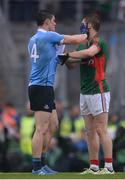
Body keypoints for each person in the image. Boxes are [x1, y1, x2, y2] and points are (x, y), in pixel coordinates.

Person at [28, 10, 88, 175]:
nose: (55, 24)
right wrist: (86, 30)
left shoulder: (33, 39)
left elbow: (57, 58)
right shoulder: (48, 36)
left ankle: (43, 163)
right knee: (41, 128)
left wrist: (68, 56)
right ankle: (36, 167)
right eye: (53, 21)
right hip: (41, 86)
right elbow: (76, 39)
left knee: (53, 125)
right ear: (46, 22)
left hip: (43, 87)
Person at [58, 14, 114, 174]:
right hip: (85, 92)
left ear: (90, 25)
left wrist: (69, 55)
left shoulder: (98, 42)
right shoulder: (82, 45)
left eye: (83, 24)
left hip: (99, 91)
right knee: (89, 131)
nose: (81, 27)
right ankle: (94, 166)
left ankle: (109, 167)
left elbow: (90, 53)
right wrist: (63, 57)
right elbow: (71, 65)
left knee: (101, 129)